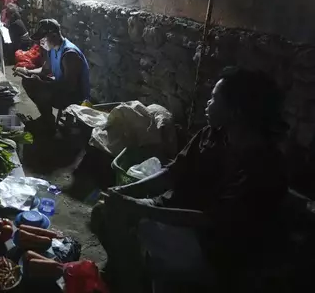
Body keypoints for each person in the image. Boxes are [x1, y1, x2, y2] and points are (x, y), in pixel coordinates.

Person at [104, 67, 288, 292]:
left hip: (210, 245)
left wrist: (139, 208)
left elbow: (210, 220)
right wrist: (126, 191)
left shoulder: (263, 166)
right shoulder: (212, 135)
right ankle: (134, 276)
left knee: (129, 224)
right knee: (106, 211)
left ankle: (137, 279)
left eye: (214, 99)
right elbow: (173, 173)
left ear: (237, 111)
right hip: (175, 214)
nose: (207, 104)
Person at [14, 19, 90, 133]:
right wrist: (26, 71)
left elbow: (70, 86)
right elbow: (45, 70)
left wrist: (43, 84)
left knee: (39, 88)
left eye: (43, 38)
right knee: (28, 82)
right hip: (61, 87)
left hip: (74, 95)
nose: (41, 42)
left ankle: (48, 124)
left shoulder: (69, 54)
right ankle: (47, 118)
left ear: (54, 35)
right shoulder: (52, 49)